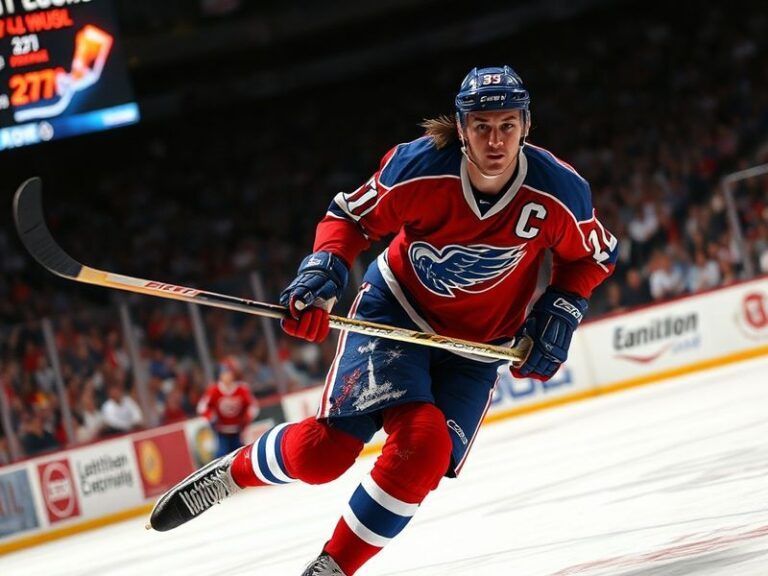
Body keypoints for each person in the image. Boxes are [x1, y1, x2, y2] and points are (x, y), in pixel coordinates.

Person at [148, 65, 618, 575]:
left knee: (425, 451)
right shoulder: (418, 168)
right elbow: (348, 218)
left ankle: (331, 569)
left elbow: (593, 256)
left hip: (478, 347)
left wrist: (562, 309)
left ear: (527, 126)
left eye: (507, 125)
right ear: (460, 128)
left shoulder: (559, 191)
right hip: (399, 315)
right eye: (481, 125)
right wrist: (323, 271)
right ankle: (234, 473)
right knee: (323, 454)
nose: (495, 139)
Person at [196, 357, 259, 457]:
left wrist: (246, 418)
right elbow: (202, 407)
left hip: (238, 431)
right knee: (221, 456)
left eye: (229, 373)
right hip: (221, 432)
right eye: (224, 373)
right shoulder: (214, 390)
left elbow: (253, 407)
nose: (227, 376)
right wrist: (211, 417)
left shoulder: (242, 389)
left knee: (241, 455)